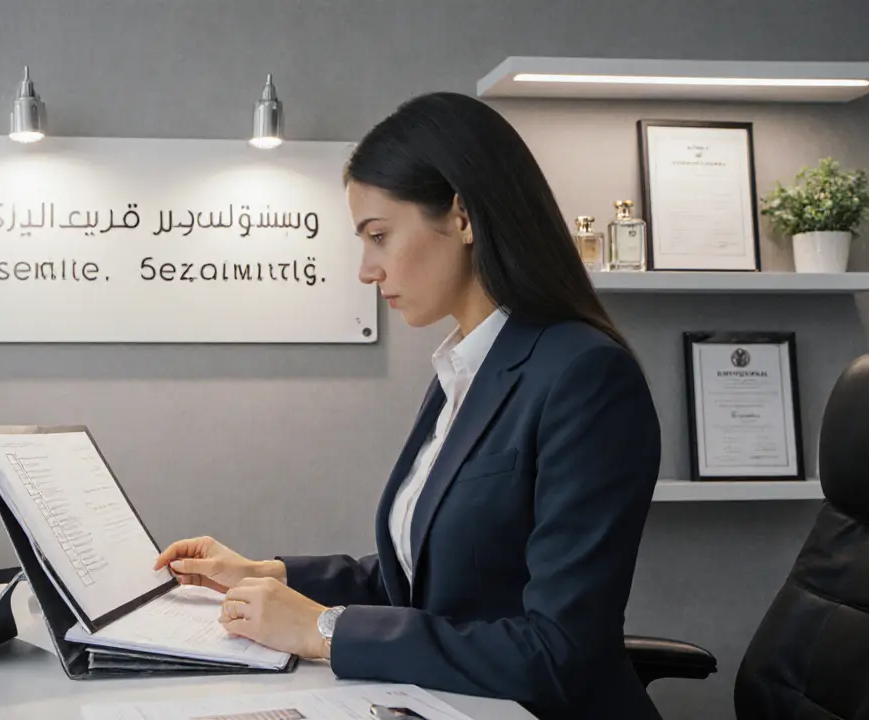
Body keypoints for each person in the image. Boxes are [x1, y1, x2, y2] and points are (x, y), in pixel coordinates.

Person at [154, 92, 663, 720]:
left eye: (379, 236)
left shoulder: (584, 377)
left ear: (464, 216)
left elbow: (559, 652)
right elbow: (423, 579)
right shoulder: (464, 368)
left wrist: (326, 631)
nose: (367, 270)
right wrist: (272, 574)